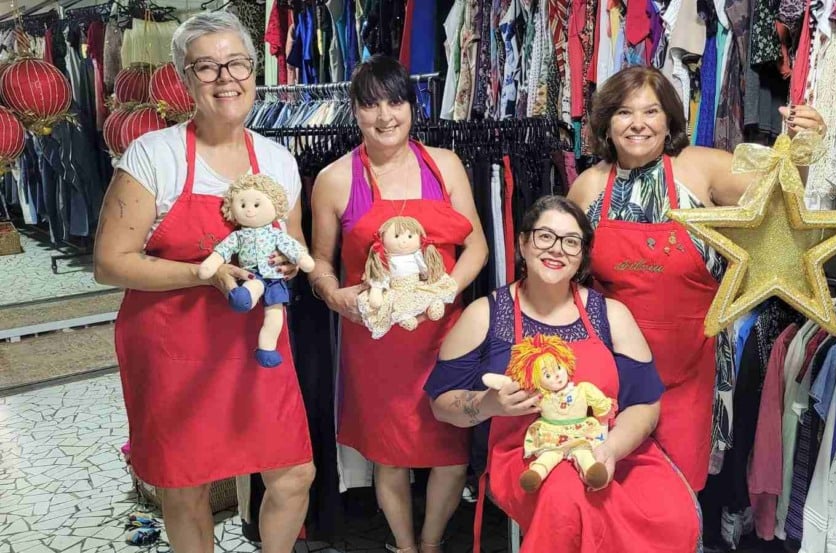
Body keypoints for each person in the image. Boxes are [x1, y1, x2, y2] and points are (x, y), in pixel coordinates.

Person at [92, 12, 314, 553]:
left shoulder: (279, 160)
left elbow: (294, 244)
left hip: (257, 347)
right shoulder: (154, 155)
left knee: (294, 473)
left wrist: (290, 267)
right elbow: (110, 262)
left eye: (236, 63)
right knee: (186, 485)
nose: (225, 78)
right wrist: (201, 272)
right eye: (206, 67)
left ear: (254, 71)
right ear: (185, 79)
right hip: (175, 348)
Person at [568, 66, 827, 492]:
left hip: (691, 369)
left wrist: (804, 145)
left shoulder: (702, 167)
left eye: (651, 111)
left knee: (677, 491)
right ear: (606, 124)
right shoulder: (588, 187)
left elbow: (783, 199)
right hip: (614, 373)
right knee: (613, 489)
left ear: (669, 118)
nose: (638, 123)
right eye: (623, 113)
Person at [427, 196, 701, 553]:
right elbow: (440, 404)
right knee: (568, 502)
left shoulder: (611, 316)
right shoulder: (486, 315)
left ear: (582, 256)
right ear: (523, 243)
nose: (557, 250)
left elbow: (646, 406)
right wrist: (487, 404)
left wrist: (611, 450)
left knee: (673, 514)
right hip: (528, 455)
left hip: (610, 445)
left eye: (571, 242)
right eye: (545, 237)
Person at [309, 54, 488, 553]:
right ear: (354, 111)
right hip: (376, 341)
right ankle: (405, 546)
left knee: (451, 450)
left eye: (395, 102)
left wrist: (447, 289)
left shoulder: (445, 164)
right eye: (370, 105)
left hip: (445, 335)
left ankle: (430, 544)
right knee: (390, 455)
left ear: (412, 106)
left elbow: (477, 246)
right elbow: (320, 262)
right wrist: (332, 293)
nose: (384, 116)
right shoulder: (334, 180)